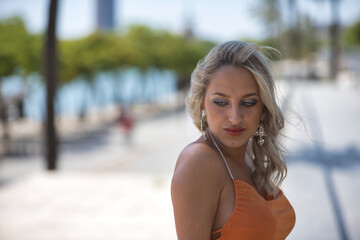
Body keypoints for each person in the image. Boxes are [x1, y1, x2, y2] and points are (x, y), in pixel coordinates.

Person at [171, 41, 296, 240]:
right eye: (221, 102)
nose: (235, 117)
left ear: (263, 106)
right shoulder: (199, 162)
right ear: (202, 102)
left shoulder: (247, 154)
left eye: (248, 102)